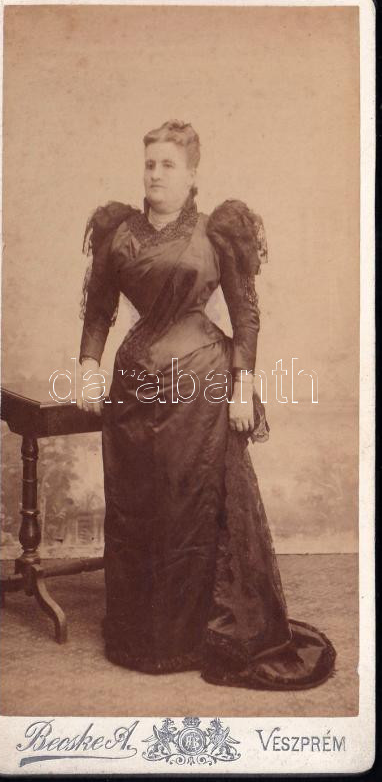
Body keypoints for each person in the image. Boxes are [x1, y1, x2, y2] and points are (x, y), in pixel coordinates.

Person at [77, 119, 336, 689]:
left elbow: (245, 316)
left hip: (202, 386)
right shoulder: (119, 232)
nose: (156, 174)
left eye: (168, 165)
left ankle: (201, 634)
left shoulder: (216, 232)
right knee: (138, 506)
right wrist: (89, 366)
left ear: (192, 174)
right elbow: (98, 311)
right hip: (134, 389)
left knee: (192, 505)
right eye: (150, 163)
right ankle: (143, 638)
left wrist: (243, 386)